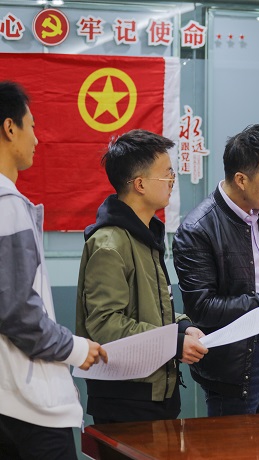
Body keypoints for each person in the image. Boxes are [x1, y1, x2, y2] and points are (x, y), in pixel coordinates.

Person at [173, 124, 259, 416]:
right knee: (235, 441)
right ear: (241, 180)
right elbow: (202, 308)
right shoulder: (197, 229)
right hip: (233, 363)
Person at [0, 81, 106, 459]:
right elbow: (17, 312)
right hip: (26, 407)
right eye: (31, 126)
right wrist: (75, 348)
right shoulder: (7, 204)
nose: (37, 139)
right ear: (9, 128)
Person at [76, 129, 208, 424]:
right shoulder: (110, 244)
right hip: (126, 399)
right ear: (140, 184)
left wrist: (183, 326)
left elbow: (150, 310)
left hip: (157, 390)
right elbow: (104, 323)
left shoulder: (145, 235)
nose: (172, 180)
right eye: (167, 173)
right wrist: (173, 343)